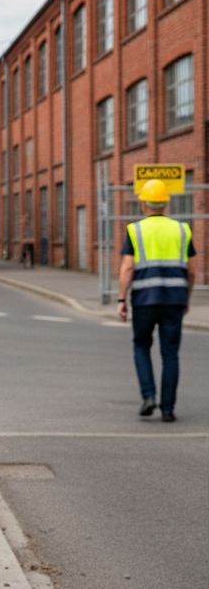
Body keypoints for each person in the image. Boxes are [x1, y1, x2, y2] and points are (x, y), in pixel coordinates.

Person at [117, 179, 195, 422]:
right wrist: (187, 298)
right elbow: (192, 270)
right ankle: (168, 409)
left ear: (144, 204)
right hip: (174, 299)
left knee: (142, 346)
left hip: (144, 300)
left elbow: (128, 267)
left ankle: (149, 397)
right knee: (170, 353)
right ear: (165, 204)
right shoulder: (183, 230)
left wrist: (121, 299)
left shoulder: (135, 230)